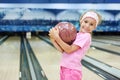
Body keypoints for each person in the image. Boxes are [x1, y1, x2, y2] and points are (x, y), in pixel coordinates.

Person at [49, 10, 101, 80]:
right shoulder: (76, 35)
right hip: (65, 67)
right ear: (81, 21)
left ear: (94, 27)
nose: (87, 25)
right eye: (85, 22)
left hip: (72, 70)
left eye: (91, 24)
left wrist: (57, 38)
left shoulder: (86, 36)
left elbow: (69, 50)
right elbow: (63, 51)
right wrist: (53, 40)